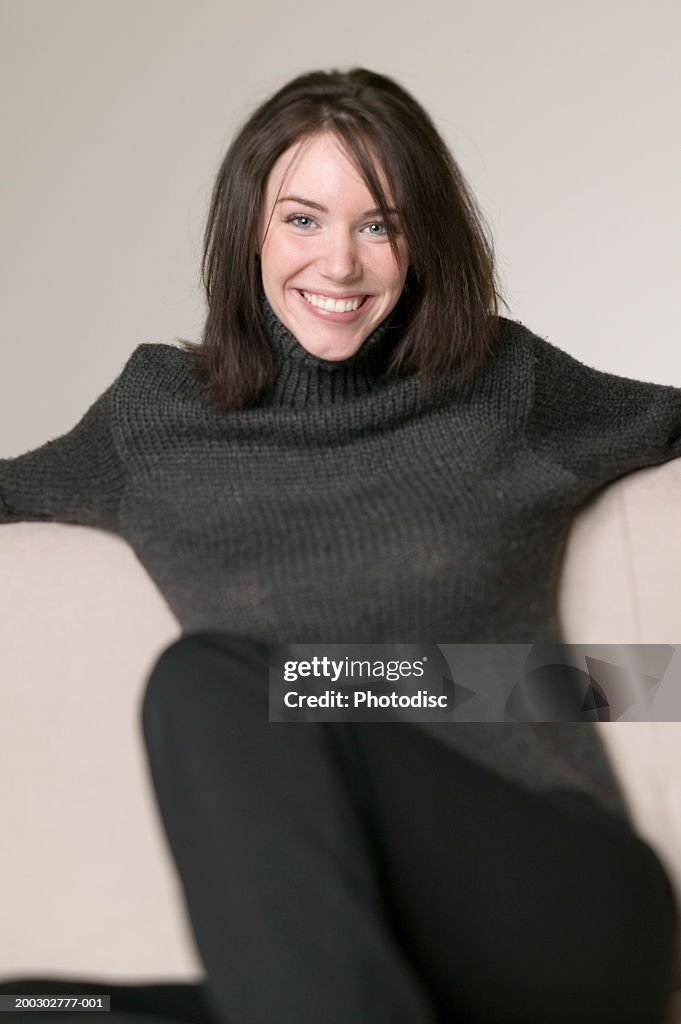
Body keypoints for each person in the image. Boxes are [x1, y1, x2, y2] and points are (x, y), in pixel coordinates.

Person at [2, 67, 681, 1023]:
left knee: (212, 682)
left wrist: (609, 682)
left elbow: (625, 673)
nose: (339, 264)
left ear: (423, 242)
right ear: (249, 231)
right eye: (302, 219)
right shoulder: (155, 415)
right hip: (350, 938)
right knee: (37, 1010)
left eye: (380, 224)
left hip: (551, 898)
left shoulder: (500, 383)